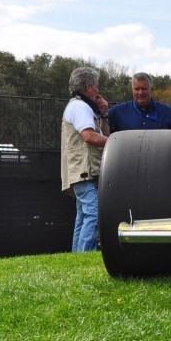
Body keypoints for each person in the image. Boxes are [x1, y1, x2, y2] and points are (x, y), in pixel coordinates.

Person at [61, 66, 110, 252]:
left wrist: (104, 113)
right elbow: (89, 136)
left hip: (82, 171)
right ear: (89, 87)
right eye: (96, 85)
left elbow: (102, 134)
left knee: (82, 217)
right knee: (94, 214)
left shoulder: (82, 107)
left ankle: (76, 257)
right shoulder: (80, 107)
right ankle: (85, 255)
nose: (98, 89)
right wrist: (117, 143)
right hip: (84, 170)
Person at [107, 72, 171, 132]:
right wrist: (103, 114)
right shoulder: (116, 112)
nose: (140, 93)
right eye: (137, 89)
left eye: (144, 88)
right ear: (132, 90)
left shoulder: (170, 113)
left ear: (151, 90)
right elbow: (102, 134)